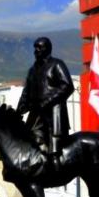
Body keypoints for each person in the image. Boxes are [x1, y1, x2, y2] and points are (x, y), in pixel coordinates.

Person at [16, 37, 74, 171]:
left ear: (47, 48)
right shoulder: (32, 70)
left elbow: (67, 86)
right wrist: (19, 110)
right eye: (35, 47)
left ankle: (56, 164)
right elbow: (26, 93)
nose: (36, 50)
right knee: (27, 138)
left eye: (39, 47)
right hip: (36, 114)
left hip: (54, 114)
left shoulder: (57, 64)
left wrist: (47, 101)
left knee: (54, 143)